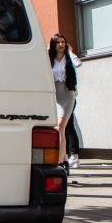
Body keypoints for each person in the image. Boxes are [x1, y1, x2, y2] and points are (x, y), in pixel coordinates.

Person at [48, 33, 81, 173]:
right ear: (54, 44)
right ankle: (63, 161)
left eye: (63, 42)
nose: (61, 44)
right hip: (55, 96)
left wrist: (71, 52)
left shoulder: (69, 58)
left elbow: (79, 63)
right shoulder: (49, 59)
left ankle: (61, 161)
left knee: (60, 128)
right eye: (58, 42)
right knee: (59, 129)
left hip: (68, 95)